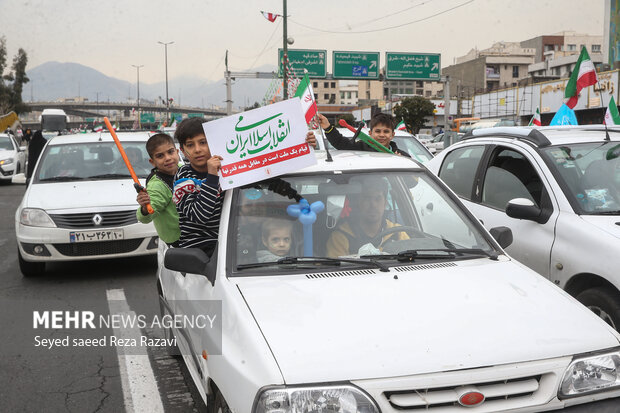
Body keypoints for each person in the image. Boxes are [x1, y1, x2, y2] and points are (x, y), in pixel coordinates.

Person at [326, 177, 409, 257]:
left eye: (378, 198)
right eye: (367, 198)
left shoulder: (397, 233)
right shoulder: (341, 237)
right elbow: (336, 269)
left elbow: (411, 261)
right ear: (359, 203)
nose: (373, 205)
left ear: (385, 204)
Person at [136, 133, 181, 247]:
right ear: (152, 162)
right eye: (160, 156)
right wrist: (145, 208)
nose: (168, 158)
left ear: (177, 152)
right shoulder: (157, 185)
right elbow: (145, 217)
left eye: (170, 152)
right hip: (179, 242)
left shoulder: (184, 169)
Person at [308, 112, 410, 157]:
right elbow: (341, 143)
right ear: (370, 133)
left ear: (392, 134)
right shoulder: (360, 147)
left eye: (386, 131)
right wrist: (327, 127)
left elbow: (411, 183)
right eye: (378, 131)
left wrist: (402, 163)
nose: (382, 135)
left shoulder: (403, 156)